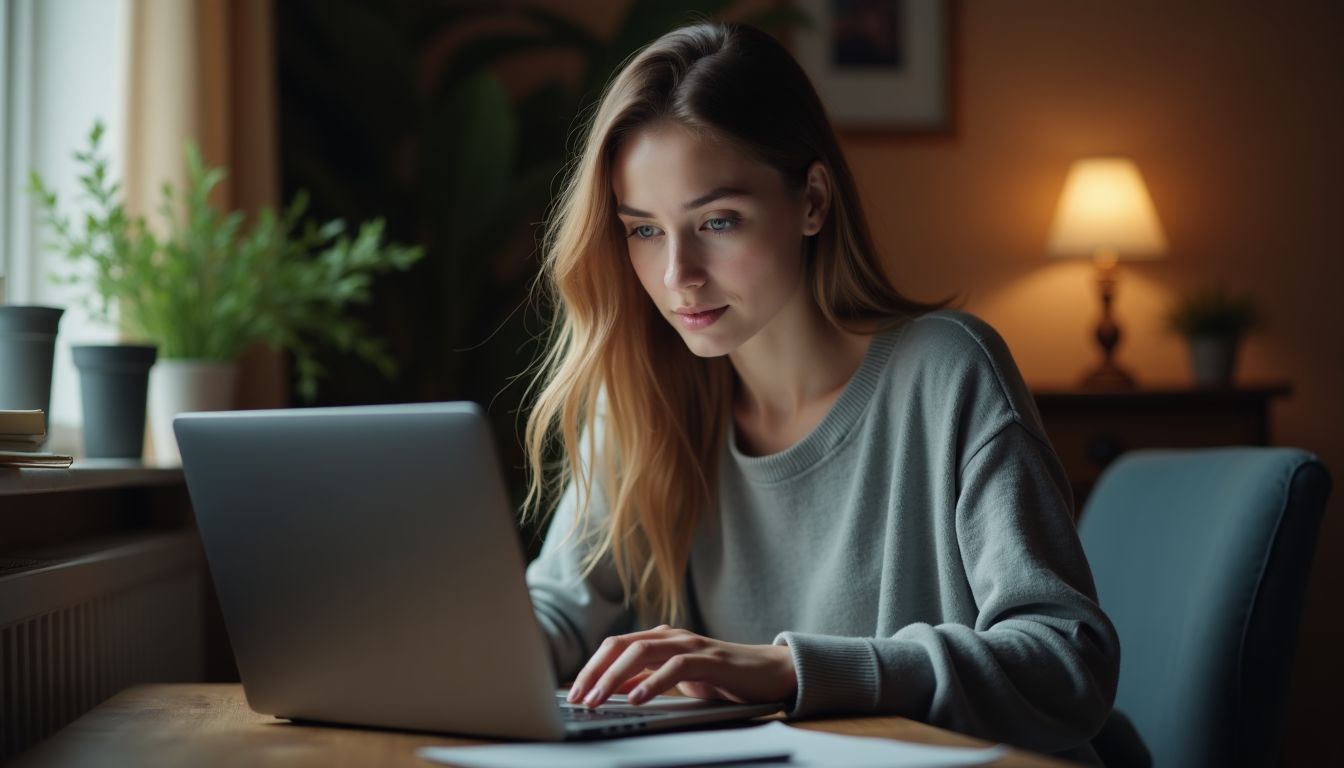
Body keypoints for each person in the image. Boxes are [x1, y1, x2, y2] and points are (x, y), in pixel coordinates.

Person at [520, 21, 1134, 766]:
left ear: (811, 201)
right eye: (644, 230)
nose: (677, 274)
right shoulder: (645, 397)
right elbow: (556, 615)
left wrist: (791, 669)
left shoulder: (947, 372)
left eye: (718, 221)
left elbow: (1068, 662)